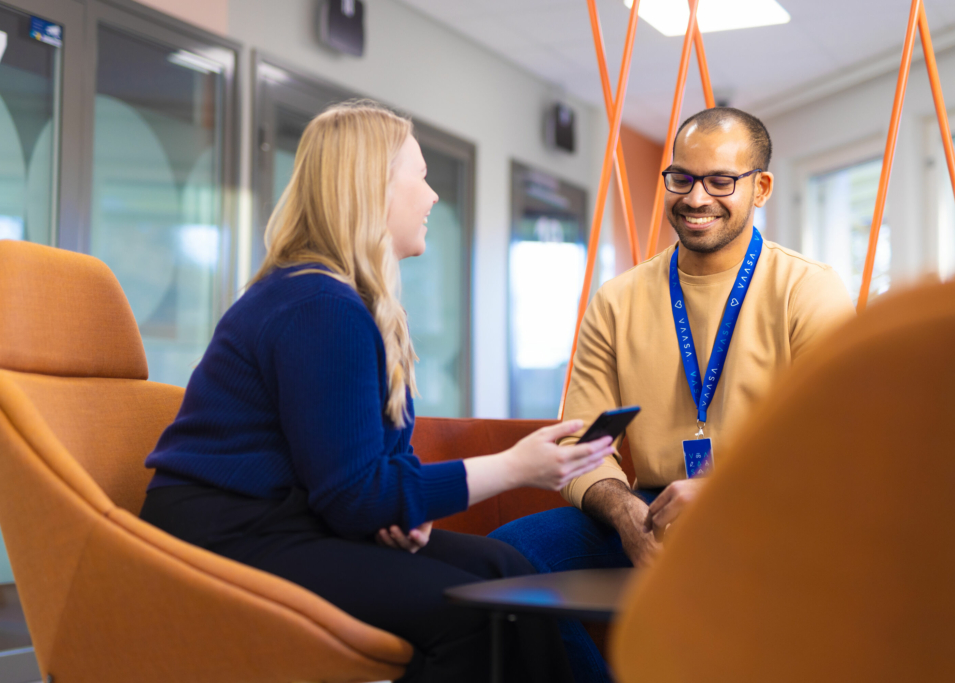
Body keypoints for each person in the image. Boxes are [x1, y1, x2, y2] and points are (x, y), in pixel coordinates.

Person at [138, 101, 615, 683]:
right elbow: (356, 496)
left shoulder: (343, 302)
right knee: (478, 614)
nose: (434, 195)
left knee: (508, 568)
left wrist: (401, 508)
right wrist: (518, 466)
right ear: (374, 190)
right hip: (230, 538)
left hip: (290, 519)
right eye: (420, 176)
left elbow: (367, 471)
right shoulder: (318, 305)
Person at [489, 107, 855, 682]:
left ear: (760, 187)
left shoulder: (809, 289)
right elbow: (588, 443)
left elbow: (838, 443)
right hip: (650, 511)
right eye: (681, 178)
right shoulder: (618, 300)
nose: (696, 197)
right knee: (503, 561)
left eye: (720, 181)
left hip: (770, 512)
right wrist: (628, 515)